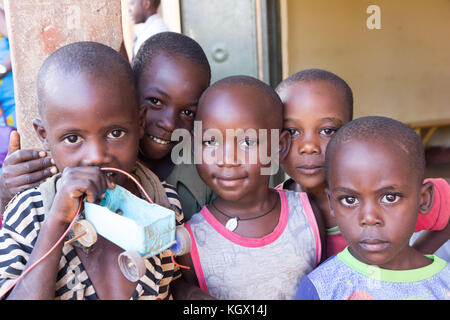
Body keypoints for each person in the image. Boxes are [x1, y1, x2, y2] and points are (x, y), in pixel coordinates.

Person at [0, 41, 186, 300]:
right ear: (44, 136)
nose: (97, 156)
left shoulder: (162, 204)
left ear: (140, 122)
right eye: (73, 138)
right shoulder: (31, 213)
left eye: (116, 132)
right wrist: (56, 222)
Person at [0, 32, 215, 222]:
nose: (169, 123)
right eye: (155, 101)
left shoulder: (203, 176)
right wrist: (5, 192)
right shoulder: (61, 168)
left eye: (188, 112)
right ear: (128, 92)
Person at [275, 68, 450, 258]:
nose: (309, 147)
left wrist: (418, 255)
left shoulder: (388, 197)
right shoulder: (270, 210)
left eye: (327, 130)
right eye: (292, 131)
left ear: (350, 132)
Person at [179, 75, 326, 300]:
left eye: (247, 142)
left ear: (279, 146)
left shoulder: (307, 214)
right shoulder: (190, 241)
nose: (227, 160)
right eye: (210, 141)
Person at [295, 116, 450, 300]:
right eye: (349, 199)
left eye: (389, 197)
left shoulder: (445, 283)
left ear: (423, 199)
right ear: (332, 204)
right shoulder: (321, 287)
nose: (369, 217)